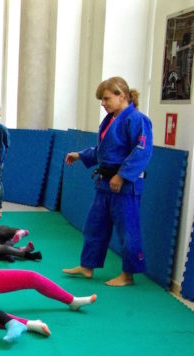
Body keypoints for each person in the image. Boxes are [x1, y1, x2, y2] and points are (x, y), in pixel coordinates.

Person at [63, 77, 153, 287]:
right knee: (94, 225)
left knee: (127, 230)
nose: (103, 103)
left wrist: (122, 175)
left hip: (125, 185)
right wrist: (81, 155)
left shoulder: (137, 120)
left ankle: (128, 275)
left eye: (106, 98)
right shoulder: (111, 119)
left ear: (122, 95)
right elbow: (104, 151)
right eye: (101, 100)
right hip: (105, 183)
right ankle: (87, 266)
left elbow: (142, 151)